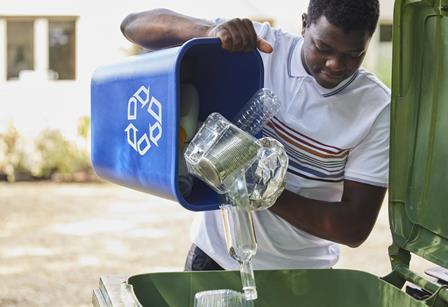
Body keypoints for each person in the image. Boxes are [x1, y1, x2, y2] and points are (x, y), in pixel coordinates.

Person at [121, 0, 390, 271]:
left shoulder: (376, 108)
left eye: (354, 54)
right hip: (217, 257)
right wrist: (209, 32)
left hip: (304, 273)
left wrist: (263, 190)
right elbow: (133, 25)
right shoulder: (258, 47)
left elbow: (353, 228)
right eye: (323, 47)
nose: (335, 64)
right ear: (305, 24)